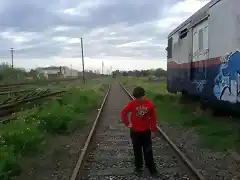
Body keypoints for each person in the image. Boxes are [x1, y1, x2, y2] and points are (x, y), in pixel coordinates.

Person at [120, 86, 159, 177]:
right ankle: (138, 167)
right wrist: (127, 123)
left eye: (139, 98)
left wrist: (153, 129)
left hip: (145, 131)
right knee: (137, 150)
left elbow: (153, 117)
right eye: (136, 98)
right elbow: (123, 112)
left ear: (143, 96)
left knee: (148, 151)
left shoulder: (149, 104)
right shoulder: (132, 103)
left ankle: (152, 169)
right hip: (135, 132)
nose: (138, 100)